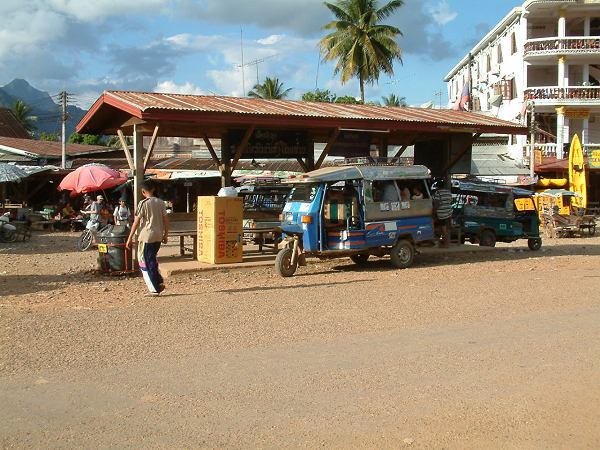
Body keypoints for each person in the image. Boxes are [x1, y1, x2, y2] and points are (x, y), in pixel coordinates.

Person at [126, 181, 169, 295]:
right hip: (158, 235)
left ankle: (154, 287)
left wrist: (130, 237)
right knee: (152, 259)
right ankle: (158, 281)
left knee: (144, 261)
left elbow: (136, 221)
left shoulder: (143, 203)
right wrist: (166, 234)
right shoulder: (161, 202)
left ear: (143, 191)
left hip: (146, 236)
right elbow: (166, 220)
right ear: (154, 189)